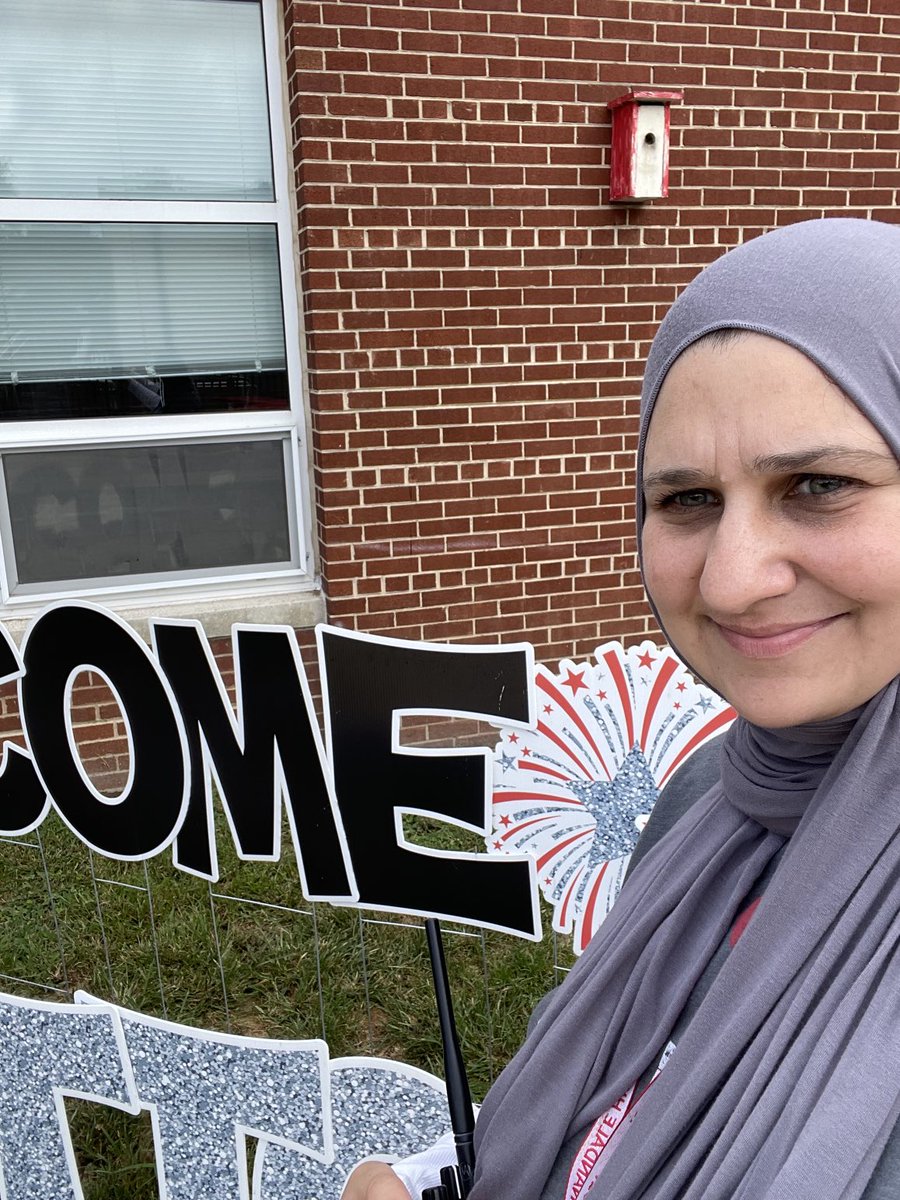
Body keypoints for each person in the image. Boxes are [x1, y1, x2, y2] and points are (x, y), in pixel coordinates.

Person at [342, 216, 900, 1200]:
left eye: (819, 486)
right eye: (686, 501)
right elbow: (623, 1096)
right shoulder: (711, 791)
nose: (731, 582)